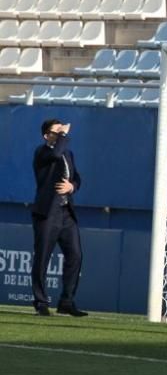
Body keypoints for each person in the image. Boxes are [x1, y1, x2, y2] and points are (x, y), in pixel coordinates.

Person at [30, 119, 87, 317]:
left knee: (75, 255)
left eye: (62, 131)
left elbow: (76, 177)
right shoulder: (42, 152)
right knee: (43, 257)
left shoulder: (68, 153)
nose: (62, 134)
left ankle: (66, 301)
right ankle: (41, 302)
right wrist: (63, 135)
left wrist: (72, 187)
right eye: (57, 131)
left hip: (66, 212)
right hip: (47, 213)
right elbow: (55, 153)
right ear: (47, 135)